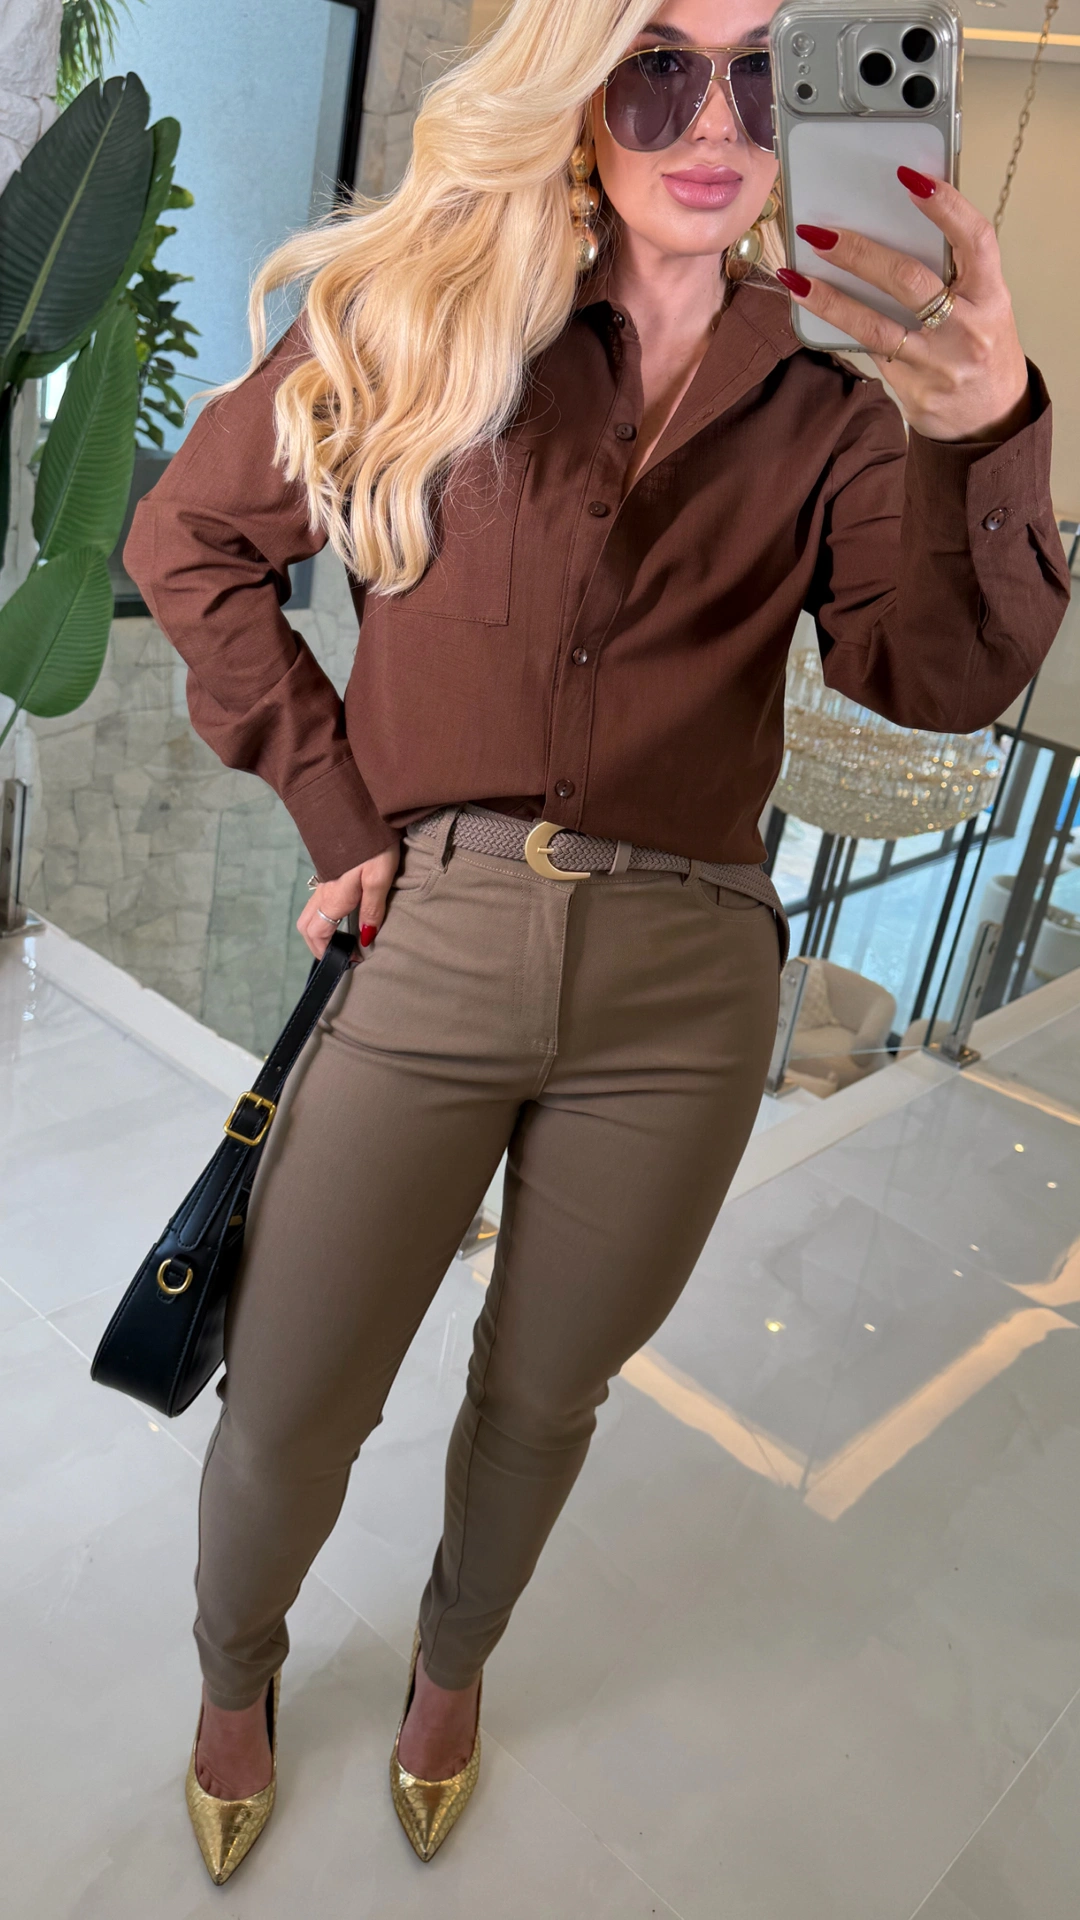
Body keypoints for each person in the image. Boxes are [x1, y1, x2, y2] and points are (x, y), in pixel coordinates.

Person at [124, 0, 1068, 1882]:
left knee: (546, 1393)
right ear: (575, 89)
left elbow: (937, 680)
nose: (712, 118)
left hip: (688, 980)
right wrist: (338, 810)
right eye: (659, 64)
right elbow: (186, 543)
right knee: (295, 1392)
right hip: (435, 933)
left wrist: (987, 435)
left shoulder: (833, 399)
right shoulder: (423, 318)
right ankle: (237, 1672)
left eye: (759, 67)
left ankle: (452, 1663)